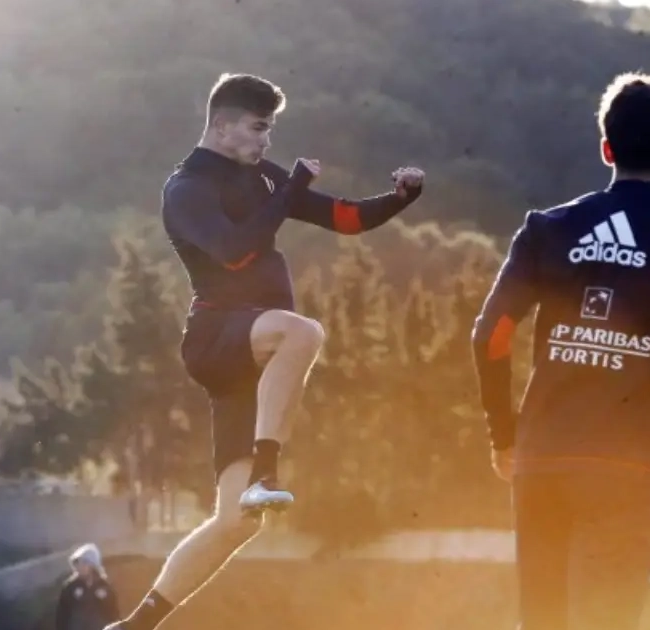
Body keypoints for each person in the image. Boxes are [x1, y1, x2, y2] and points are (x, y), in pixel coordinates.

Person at [104, 72, 424, 630]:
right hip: (217, 337)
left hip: (256, 354)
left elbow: (342, 217)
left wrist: (399, 199)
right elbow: (233, 252)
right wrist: (289, 191)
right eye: (258, 128)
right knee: (304, 333)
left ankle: (136, 624)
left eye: (269, 129)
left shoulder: (263, 177)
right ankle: (267, 472)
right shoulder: (186, 189)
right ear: (221, 126)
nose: (266, 140)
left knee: (236, 523)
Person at [470, 71, 650, 630]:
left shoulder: (546, 229)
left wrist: (504, 433)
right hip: (626, 465)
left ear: (606, 149)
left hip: (542, 457)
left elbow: (490, 336)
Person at [55, 544, 121, 630]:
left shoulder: (104, 586)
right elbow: (62, 615)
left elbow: (114, 612)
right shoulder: (70, 587)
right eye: (77, 563)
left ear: (93, 565)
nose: (79, 567)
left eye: (84, 563)